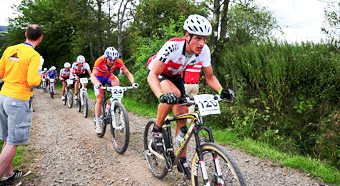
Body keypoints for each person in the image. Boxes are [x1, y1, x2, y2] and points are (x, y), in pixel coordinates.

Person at [146, 14, 234, 179]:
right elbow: (152, 75)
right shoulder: (172, 46)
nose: (202, 43)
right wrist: (161, 96)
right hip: (158, 73)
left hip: (175, 76)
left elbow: (210, 77)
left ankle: (182, 159)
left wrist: (222, 91)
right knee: (175, 94)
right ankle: (156, 130)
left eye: (205, 39)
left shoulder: (204, 51)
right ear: (187, 36)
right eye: (198, 38)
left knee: (183, 117)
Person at [0, 24, 43, 186]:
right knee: (13, 142)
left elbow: (0, 72)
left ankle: (8, 174)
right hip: (18, 99)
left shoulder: (10, 49)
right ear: (40, 39)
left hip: (3, 96)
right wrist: (39, 76)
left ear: (25, 34)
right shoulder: (33, 55)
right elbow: (32, 81)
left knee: (7, 138)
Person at [91, 47, 138, 134]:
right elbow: (92, 76)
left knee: (117, 83)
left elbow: (127, 73)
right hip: (98, 78)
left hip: (108, 75)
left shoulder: (118, 61)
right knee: (100, 99)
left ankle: (111, 103)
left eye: (114, 60)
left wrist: (133, 83)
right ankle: (98, 123)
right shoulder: (100, 60)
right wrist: (97, 84)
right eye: (110, 60)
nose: (112, 62)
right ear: (106, 58)